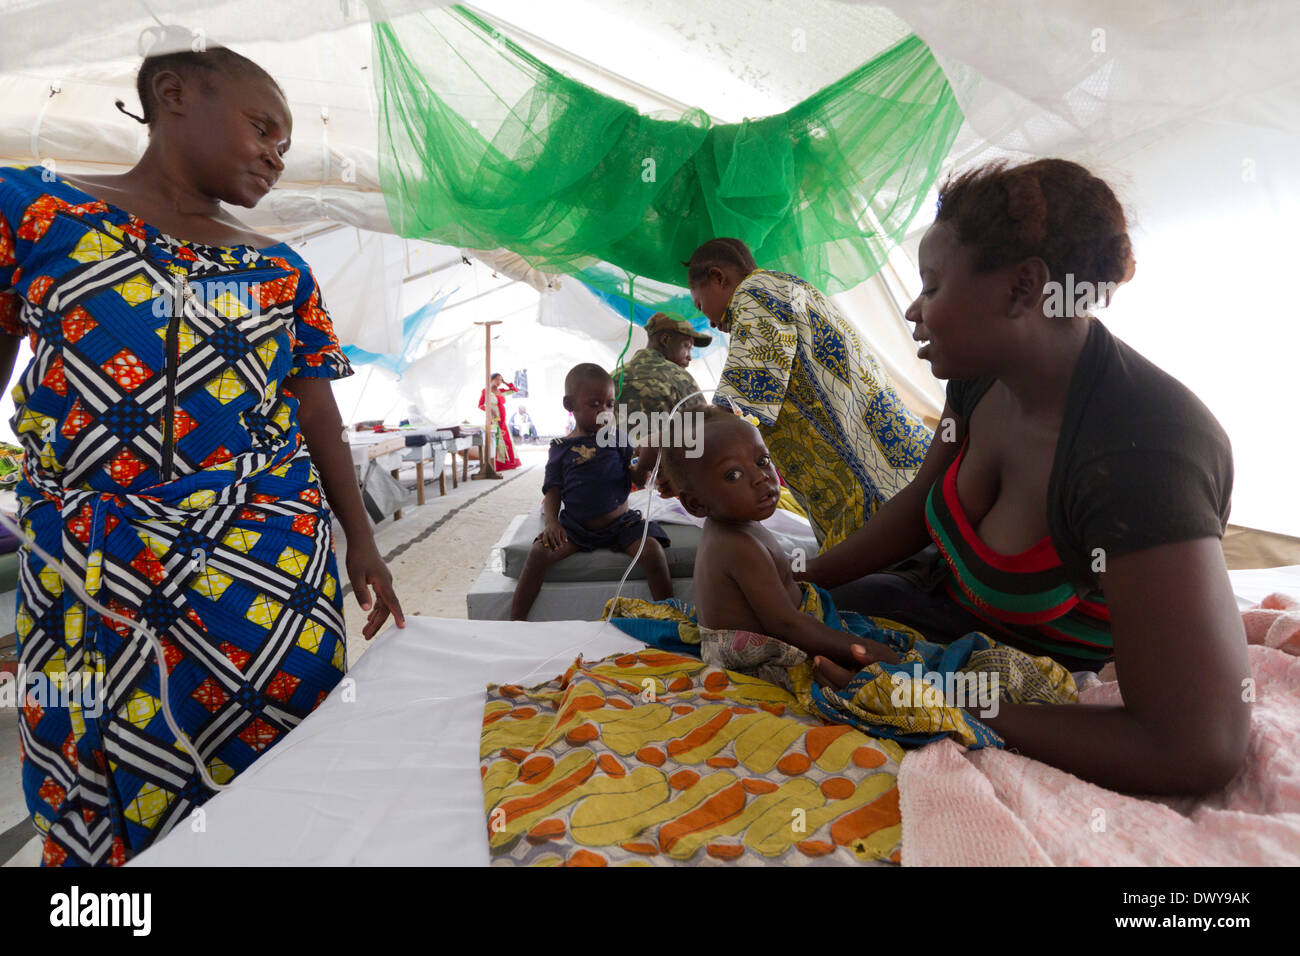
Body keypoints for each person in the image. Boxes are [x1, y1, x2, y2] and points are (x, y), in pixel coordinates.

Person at [0, 40, 404, 866]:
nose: (275, 157)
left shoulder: (279, 266)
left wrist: (361, 538)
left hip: (265, 563)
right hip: (93, 561)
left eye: (287, 147)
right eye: (264, 129)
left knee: (282, 745)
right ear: (173, 94)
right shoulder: (33, 211)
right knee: (99, 761)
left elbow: (316, 412)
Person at [800, 158, 1250, 796]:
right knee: (781, 622)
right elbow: (922, 502)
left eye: (931, 286)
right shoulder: (980, 377)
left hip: (1031, 674)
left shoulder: (1145, 453)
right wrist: (802, 578)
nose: (910, 309)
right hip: (942, 610)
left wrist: (934, 696)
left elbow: (1197, 749)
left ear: (1022, 289)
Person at [686, 238, 932, 551]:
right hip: (897, 470)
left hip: (876, 492)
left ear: (718, 278)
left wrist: (669, 449)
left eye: (699, 304)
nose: (708, 319)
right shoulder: (794, 289)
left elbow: (733, 406)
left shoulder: (756, 294)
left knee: (857, 580)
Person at [661, 408, 897, 692]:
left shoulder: (739, 525)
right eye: (733, 475)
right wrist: (862, 649)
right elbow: (785, 624)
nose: (760, 477)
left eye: (762, 461)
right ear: (696, 504)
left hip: (778, 634)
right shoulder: (738, 546)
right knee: (875, 688)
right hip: (759, 664)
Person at [510, 364, 671, 620]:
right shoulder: (561, 447)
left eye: (609, 405)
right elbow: (553, 489)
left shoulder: (619, 439)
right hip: (576, 528)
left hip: (621, 524)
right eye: (595, 405)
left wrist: (647, 462)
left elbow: (638, 479)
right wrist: (552, 523)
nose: (604, 413)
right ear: (569, 404)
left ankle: (670, 617)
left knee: (653, 552)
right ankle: (515, 622)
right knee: (539, 552)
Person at [612, 311, 711, 487]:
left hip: (617, 480)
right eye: (687, 347)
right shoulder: (680, 378)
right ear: (665, 340)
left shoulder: (613, 376)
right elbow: (704, 431)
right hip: (666, 483)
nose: (689, 356)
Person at [478, 372, 521, 471]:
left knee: (506, 439)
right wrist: (489, 409)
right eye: (497, 379)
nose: (499, 382)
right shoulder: (486, 391)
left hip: (503, 419)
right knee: (497, 440)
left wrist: (505, 382)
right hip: (493, 419)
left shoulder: (501, 391)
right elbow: (480, 405)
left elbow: (515, 390)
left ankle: (510, 463)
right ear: (491, 380)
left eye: (501, 380)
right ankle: (498, 464)